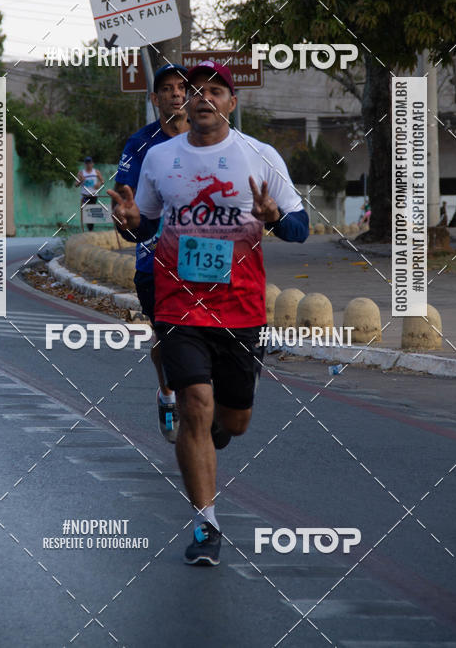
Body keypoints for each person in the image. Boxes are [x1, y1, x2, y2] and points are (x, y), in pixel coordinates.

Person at [108, 61, 309, 566]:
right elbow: (144, 224)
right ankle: (206, 524)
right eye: (194, 91)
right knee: (194, 402)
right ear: (183, 103)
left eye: (214, 91)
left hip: (240, 309)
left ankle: (219, 430)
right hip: (179, 305)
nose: (201, 98)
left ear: (230, 103)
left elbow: (301, 228)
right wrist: (131, 223)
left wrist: (275, 217)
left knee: (234, 421)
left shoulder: (259, 157)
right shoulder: (159, 157)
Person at [113, 63, 190, 444]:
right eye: (167, 89)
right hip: (155, 261)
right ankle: (167, 392)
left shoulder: (213, 139)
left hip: (207, 260)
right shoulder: (140, 144)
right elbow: (125, 207)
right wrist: (126, 220)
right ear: (154, 98)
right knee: (167, 336)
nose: (176, 93)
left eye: (182, 87)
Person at [76, 157, 105, 231]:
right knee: (86, 212)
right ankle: (86, 230)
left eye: (90, 163)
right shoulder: (81, 173)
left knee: (91, 212)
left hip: (93, 195)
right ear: (85, 164)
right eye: (87, 163)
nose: (88, 164)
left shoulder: (96, 172)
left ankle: (90, 230)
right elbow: (76, 185)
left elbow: (102, 181)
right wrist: (80, 181)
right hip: (85, 196)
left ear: (92, 164)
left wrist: (99, 183)